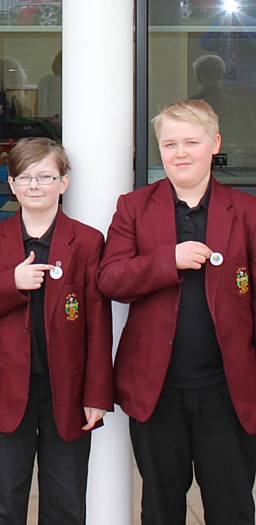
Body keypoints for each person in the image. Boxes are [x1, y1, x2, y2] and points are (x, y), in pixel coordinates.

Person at [97, 99, 256, 525]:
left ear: (215, 143)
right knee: (161, 507)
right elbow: (110, 280)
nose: (180, 152)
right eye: (170, 144)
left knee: (232, 505)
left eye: (191, 141)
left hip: (227, 390)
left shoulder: (246, 212)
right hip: (157, 389)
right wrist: (169, 260)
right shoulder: (134, 207)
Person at [0, 137, 113, 525]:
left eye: (46, 176)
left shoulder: (88, 241)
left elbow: (98, 323)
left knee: (65, 500)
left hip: (68, 391)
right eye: (24, 177)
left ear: (64, 183)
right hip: (7, 390)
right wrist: (10, 282)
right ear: (10, 185)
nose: (34, 186)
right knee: (3, 501)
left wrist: (97, 393)